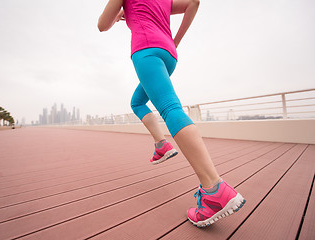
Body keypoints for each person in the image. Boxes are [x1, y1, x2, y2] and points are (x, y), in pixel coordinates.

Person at [98, 0, 245, 228]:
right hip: (169, 54)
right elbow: (193, 2)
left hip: (146, 50)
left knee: (169, 108)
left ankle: (214, 189)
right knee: (137, 102)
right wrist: (174, 41)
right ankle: (161, 145)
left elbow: (101, 25)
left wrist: (117, 12)